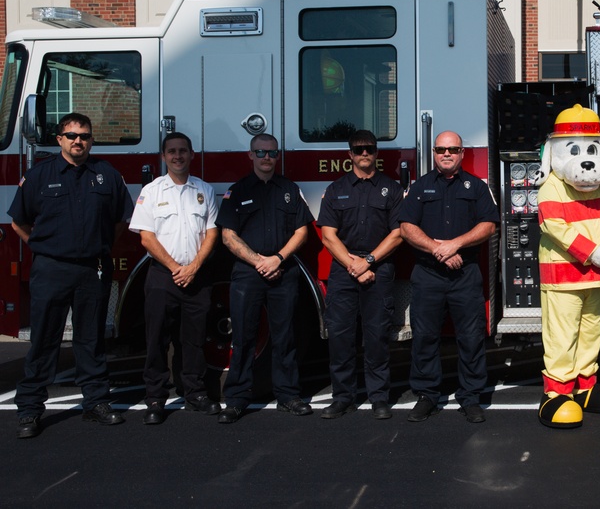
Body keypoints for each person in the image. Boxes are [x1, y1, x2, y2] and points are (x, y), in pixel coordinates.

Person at [9, 112, 134, 439]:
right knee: (44, 340)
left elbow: (122, 219)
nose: (79, 141)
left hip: (93, 268)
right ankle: (30, 410)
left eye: (85, 136)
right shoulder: (39, 175)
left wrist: (100, 246)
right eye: (72, 135)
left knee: (91, 339)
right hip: (51, 268)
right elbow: (18, 222)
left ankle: (96, 403)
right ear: (60, 139)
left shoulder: (106, 176)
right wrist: (44, 247)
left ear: (91, 140)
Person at [399, 131, 499, 424]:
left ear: (461, 152)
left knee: (470, 338)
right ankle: (427, 396)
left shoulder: (476, 187)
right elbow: (406, 227)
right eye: (441, 149)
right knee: (425, 337)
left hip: (465, 274)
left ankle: (470, 398)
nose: (447, 154)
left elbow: (489, 225)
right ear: (433, 152)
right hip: (428, 274)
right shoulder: (419, 188)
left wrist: (455, 244)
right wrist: (438, 249)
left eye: (452, 149)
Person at [215, 133, 315, 423]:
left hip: (283, 271)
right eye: (260, 153)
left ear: (277, 156)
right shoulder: (237, 191)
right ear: (250, 156)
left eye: (271, 153)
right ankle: (235, 400)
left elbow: (302, 232)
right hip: (248, 273)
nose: (267, 158)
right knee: (244, 337)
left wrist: (278, 259)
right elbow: (228, 236)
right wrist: (259, 261)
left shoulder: (289, 190)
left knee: (285, 337)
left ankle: (288, 396)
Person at [129, 132, 221, 425]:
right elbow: (146, 237)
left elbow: (212, 233)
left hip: (196, 275)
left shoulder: (205, 190)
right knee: (157, 338)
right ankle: (155, 398)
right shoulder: (152, 192)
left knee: (193, 339)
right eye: (172, 151)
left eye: (183, 151)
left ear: (192, 154)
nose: (178, 156)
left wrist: (194, 266)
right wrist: (174, 267)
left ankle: (194, 393)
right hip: (162, 277)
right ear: (164, 156)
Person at [317, 130, 403, 420]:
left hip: (378, 267)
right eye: (358, 149)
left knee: (377, 336)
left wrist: (367, 261)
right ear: (349, 154)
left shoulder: (390, 189)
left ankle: (379, 398)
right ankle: (343, 397)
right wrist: (353, 265)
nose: (364, 154)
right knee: (340, 336)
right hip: (344, 270)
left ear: (377, 153)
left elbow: (398, 233)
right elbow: (328, 235)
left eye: (369, 149)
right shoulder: (335, 189)